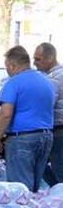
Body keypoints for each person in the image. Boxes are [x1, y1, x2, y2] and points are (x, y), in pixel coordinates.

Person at [0, 46, 55, 192]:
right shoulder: (46, 81)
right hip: (45, 136)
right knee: (34, 186)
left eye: (7, 67)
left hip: (22, 139)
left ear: (12, 65)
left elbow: (6, 114)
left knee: (20, 189)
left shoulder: (14, 83)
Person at [34, 43, 63, 184]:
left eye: (38, 59)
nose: (35, 63)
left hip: (58, 130)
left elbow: (45, 105)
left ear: (50, 58)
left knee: (53, 168)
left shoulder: (55, 78)